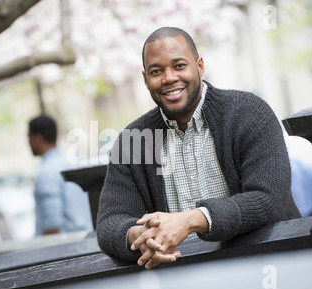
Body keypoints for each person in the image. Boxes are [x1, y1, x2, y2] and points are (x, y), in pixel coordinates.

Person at [96, 27, 301, 269]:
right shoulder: (133, 140)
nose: (169, 78)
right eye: (156, 71)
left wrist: (192, 220)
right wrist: (138, 236)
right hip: (186, 284)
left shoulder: (249, 113)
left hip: (270, 271)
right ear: (145, 79)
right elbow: (109, 223)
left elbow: (269, 200)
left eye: (179, 66)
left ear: (200, 66)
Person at [28, 114, 93, 236]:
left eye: (29, 137)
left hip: (66, 248)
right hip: (85, 239)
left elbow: (52, 225)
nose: (29, 143)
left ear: (38, 138)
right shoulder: (70, 164)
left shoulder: (46, 173)